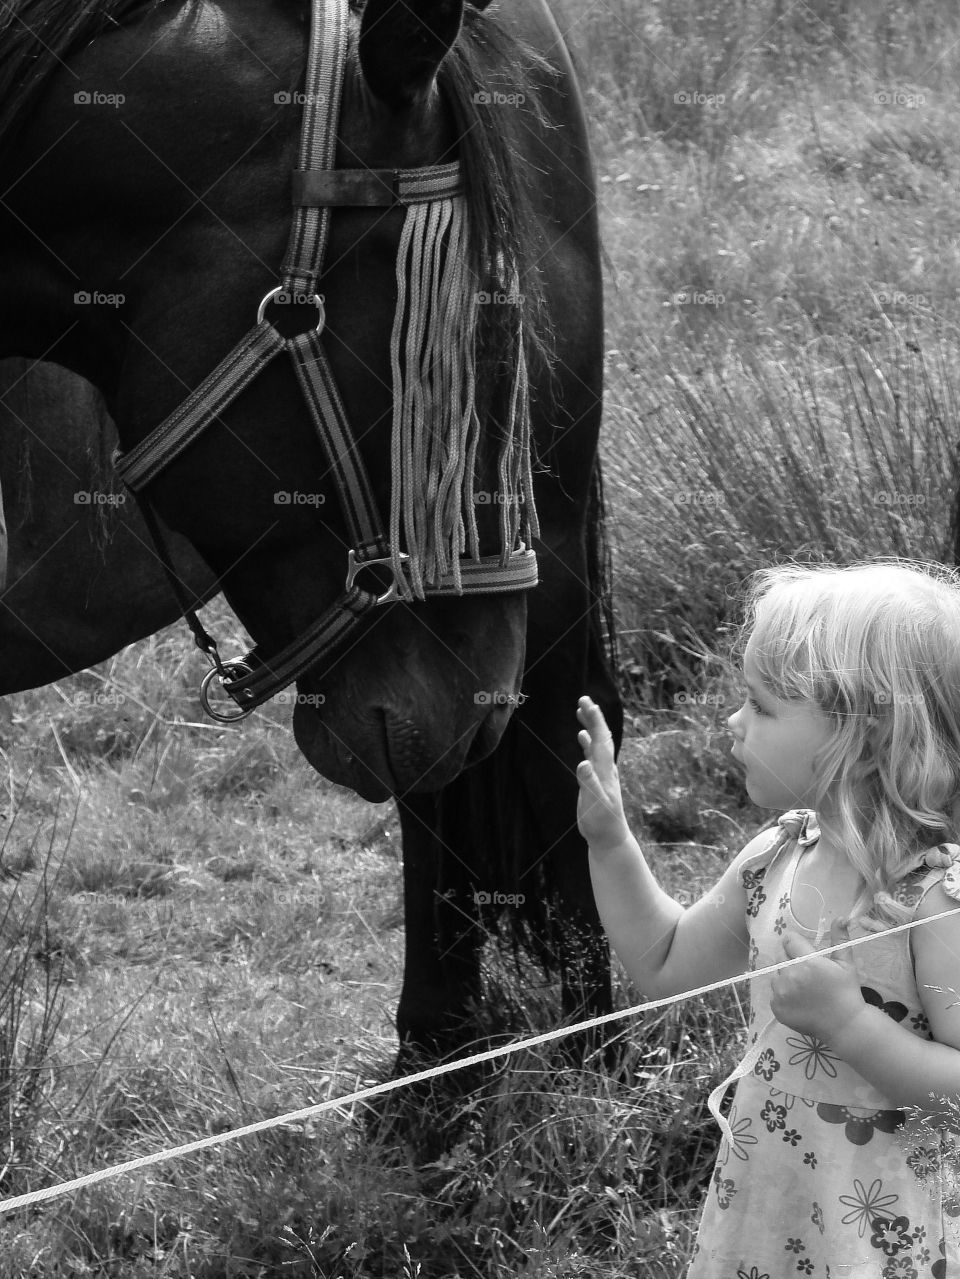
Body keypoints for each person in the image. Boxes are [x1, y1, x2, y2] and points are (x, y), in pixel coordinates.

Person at [576, 560, 960, 1277]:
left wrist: (851, 1026)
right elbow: (664, 961)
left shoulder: (933, 900)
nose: (733, 721)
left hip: (884, 1239)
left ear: (865, 737)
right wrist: (610, 843)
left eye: (760, 705)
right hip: (768, 1210)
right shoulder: (774, 858)